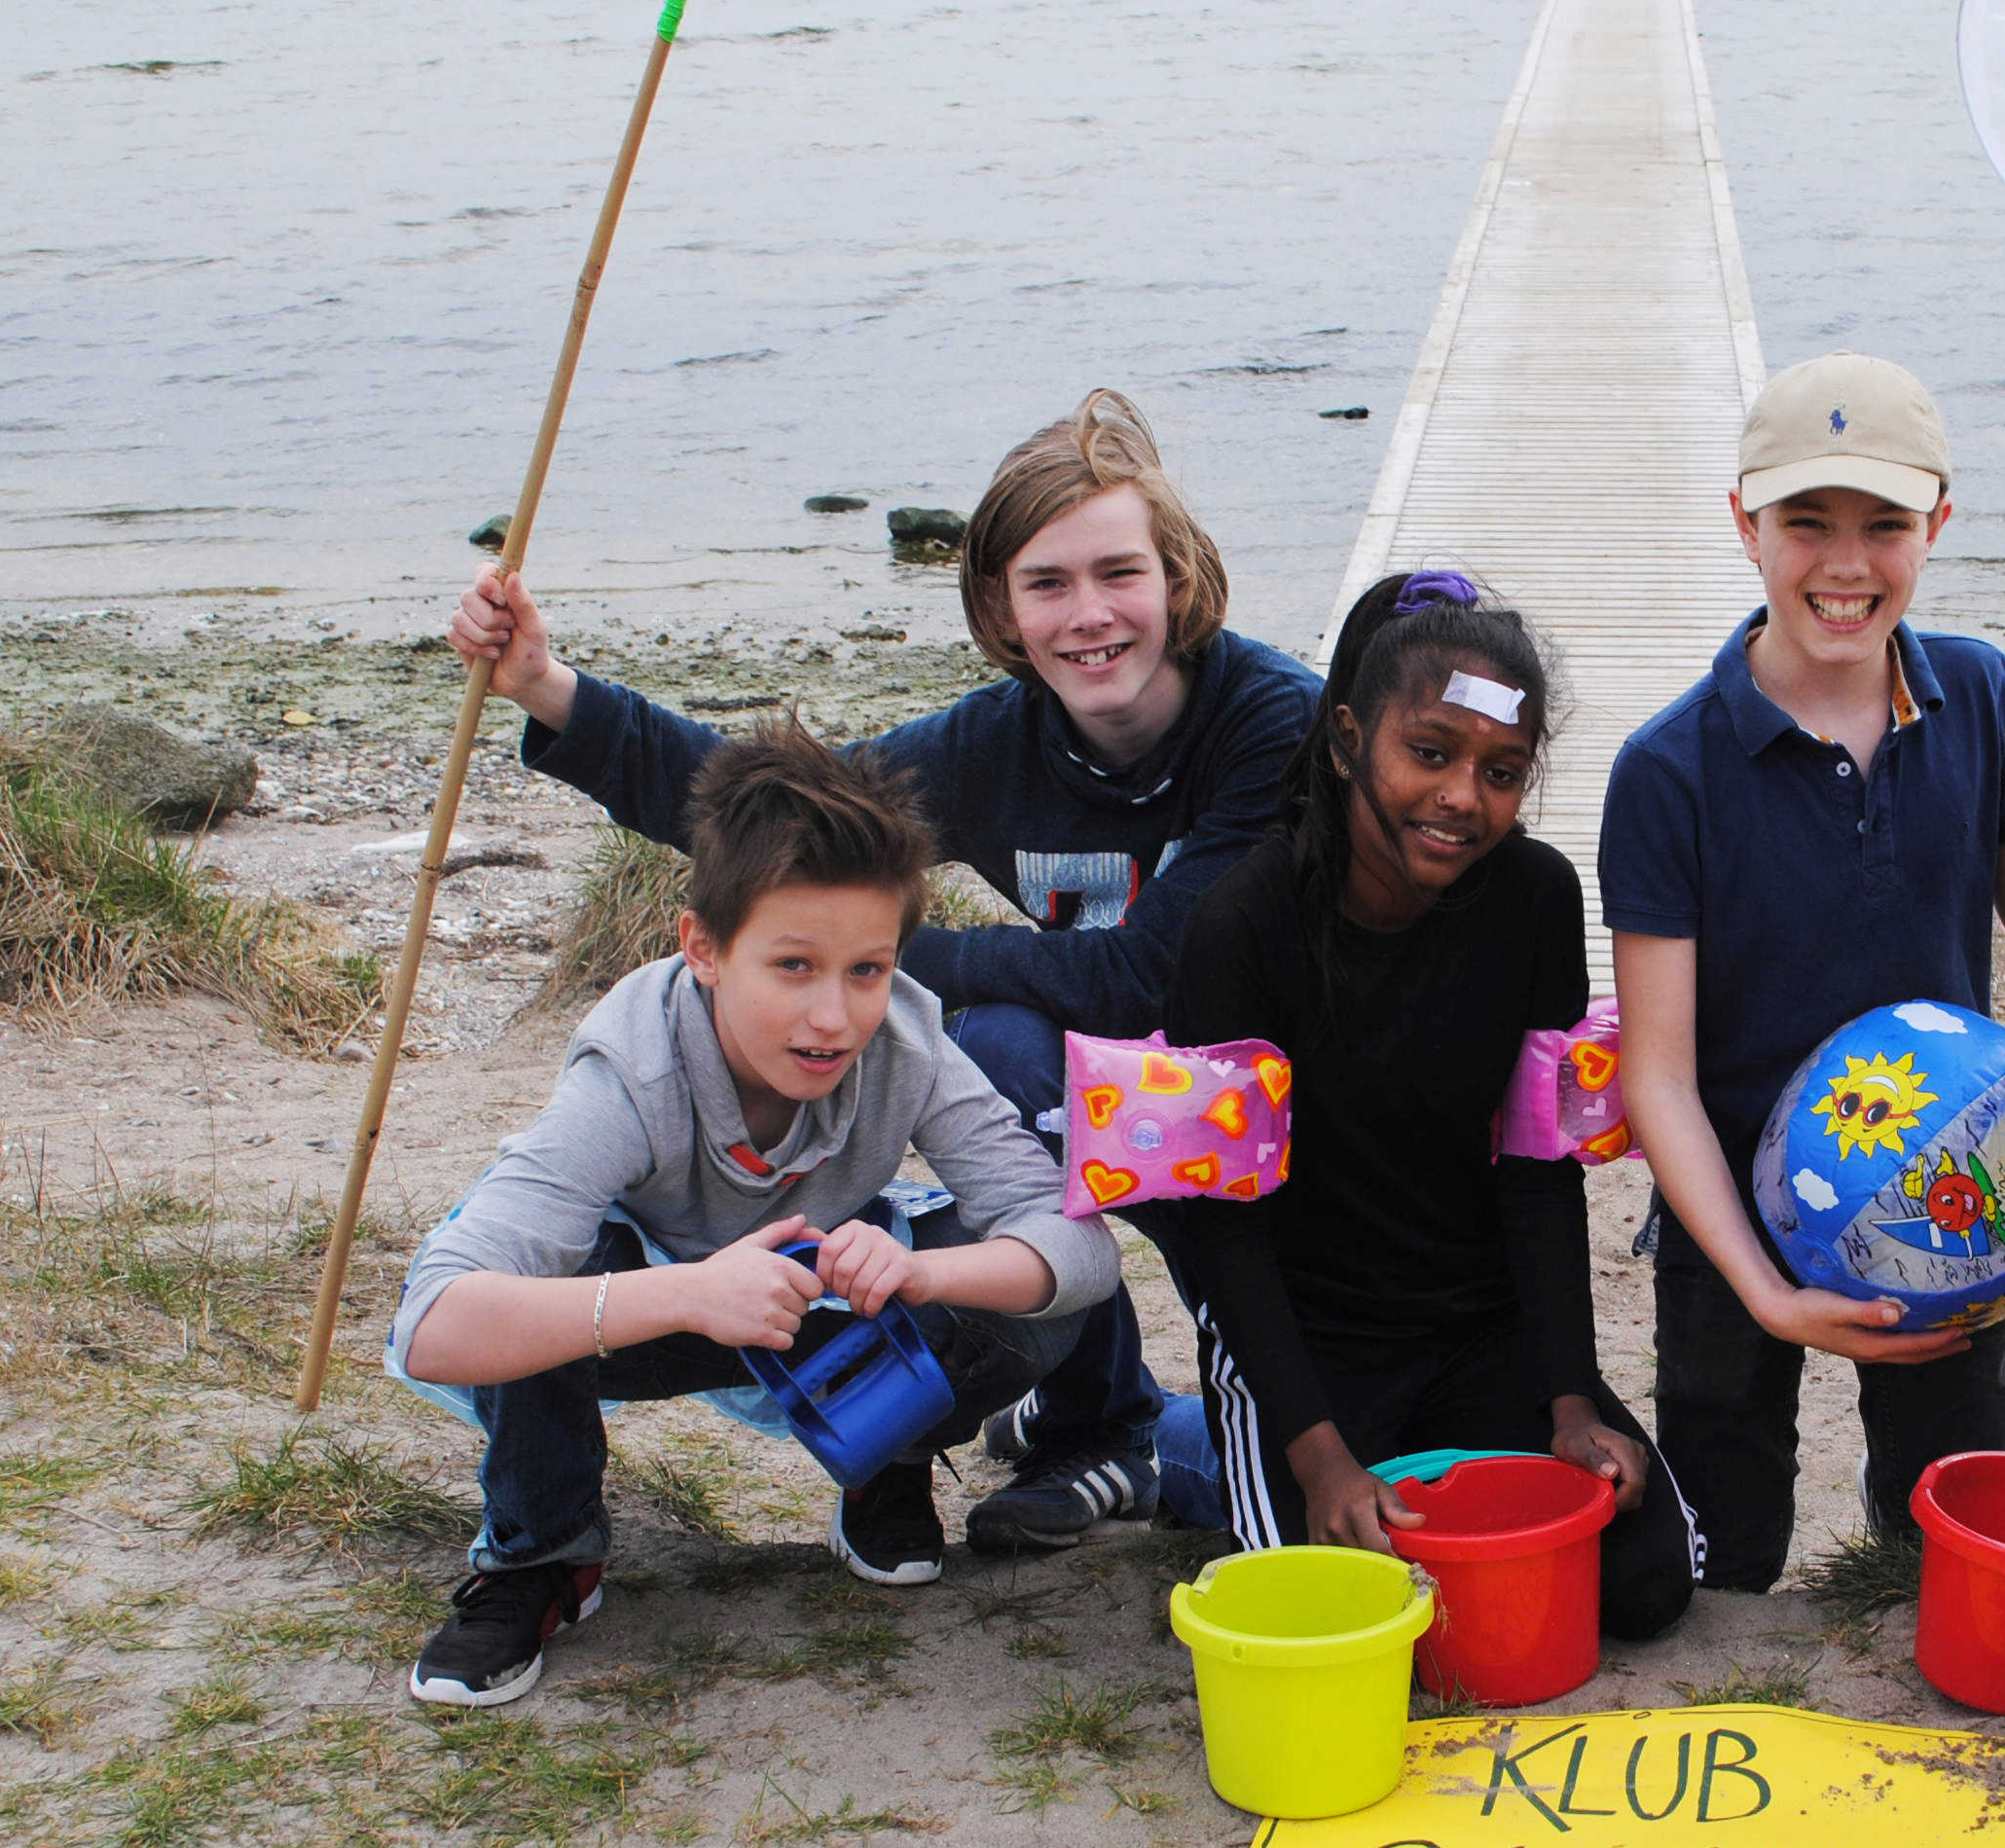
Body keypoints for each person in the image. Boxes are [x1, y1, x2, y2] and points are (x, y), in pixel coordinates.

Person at [447, 390, 1316, 1552]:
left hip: (1286, 1089)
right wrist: (546, 686)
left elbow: (1146, 977)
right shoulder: (999, 740)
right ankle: (1097, 1427)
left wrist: (884, 956)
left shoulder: (1273, 725)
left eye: (1120, 573)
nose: (1089, 615)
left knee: (1309, 1412)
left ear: (1178, 575)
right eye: (1046, 584)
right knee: (1005, 1047)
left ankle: (1211, 1432)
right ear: (999, 607)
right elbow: (772, 810)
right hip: (1144, 1093)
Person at [388, 723, 1119, 1708]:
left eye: (866, 969)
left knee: (1025, 1298)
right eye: (793, 967)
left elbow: (1081, 1248)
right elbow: (432, 1324)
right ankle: (542, 1554)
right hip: (648, 1311)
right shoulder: (630, 1071)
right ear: (704, 947)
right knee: (540, 1274)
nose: (834, 1018)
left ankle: (887, 1464)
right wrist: (689, 1293)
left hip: (818, 1310)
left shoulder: (906, 1040)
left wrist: (923, 1275)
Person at [1600, 351, 2005, 1592]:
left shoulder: (1979, 693)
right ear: (1744, 525)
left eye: (1883, 524)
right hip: (1729, 1201)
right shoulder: (1666, 770)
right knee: (1721, 1540)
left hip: (1955, 1184)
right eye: (1805, 523)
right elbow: (1656, 1077)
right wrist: (1765, 1292)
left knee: (1940, 1518)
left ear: (1937, 525)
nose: (1844, 563)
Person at [1145, 570, 1697, 1639]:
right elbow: (1223, 1228)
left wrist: (1569, 1402)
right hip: (1309, 1338)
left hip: (1479, 1324)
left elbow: (1536, 1174)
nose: (1462, 797)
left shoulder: (1536, 899)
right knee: (1347, 1620)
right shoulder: (1239, 927)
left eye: (1502, 771)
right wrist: (1319, 1458)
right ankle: (1183, 1448)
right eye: (1430, 753)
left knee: (1641, 1585)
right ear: (1347, 738)